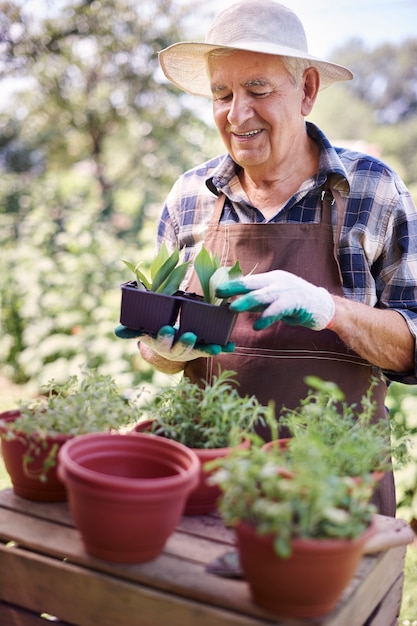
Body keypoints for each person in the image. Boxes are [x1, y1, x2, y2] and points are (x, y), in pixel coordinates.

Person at [116, 0, 417, 518]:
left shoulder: (373, 188)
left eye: (258, 90)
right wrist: (166, 351)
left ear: (306, 92)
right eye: (222, 93)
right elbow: (160, 353)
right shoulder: (189, 195)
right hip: (212, 484)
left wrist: (331, 310)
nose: (237, 114)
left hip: (335, 493)